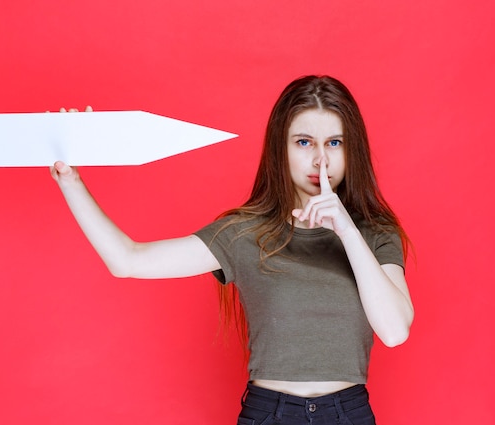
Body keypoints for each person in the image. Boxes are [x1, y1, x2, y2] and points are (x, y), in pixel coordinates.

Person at [51, 75, 414, 425]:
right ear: (280, 149)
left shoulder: (374, 233)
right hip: (270, 413)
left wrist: (346, 230)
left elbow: (395, 331)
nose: (321, 160)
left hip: (347, 414)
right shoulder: (245, 233)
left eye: (335, 143)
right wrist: (71, 179)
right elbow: (127, 260)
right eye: (304, 142)